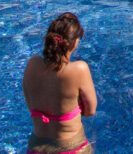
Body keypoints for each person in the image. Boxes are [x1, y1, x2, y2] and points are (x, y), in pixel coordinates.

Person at [22, 12, 97, 154]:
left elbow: (29, 102)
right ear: (74, 42)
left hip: (36, 148)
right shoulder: (80, 69)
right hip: (71, 148)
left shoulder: (32, 64)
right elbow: (90, 111)